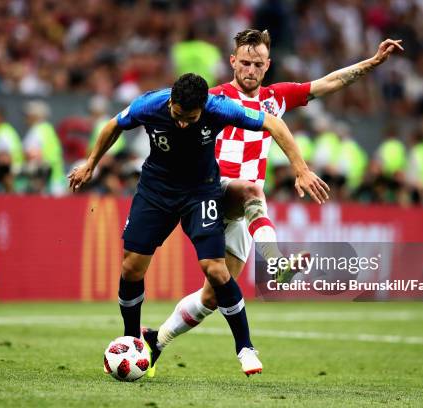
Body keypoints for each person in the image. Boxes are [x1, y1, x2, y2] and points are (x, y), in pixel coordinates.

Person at [150, 29, 403, 376]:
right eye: (244, 63)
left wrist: (373, 62)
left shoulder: (275, 99)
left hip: (238, 212)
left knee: (213, 296)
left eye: (257, 64)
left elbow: (328, 83)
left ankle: (156, 340)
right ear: (232, 62)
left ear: (267, 65)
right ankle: (276, 265)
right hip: (210, 192)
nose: (250, 69)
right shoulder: (212, 98)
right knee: (255, 192)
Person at [68, 73, 327, 376]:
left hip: (200, 192)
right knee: (131, 267)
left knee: (216, 270)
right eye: (177, 115)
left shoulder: (219, 108)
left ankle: (244, 346)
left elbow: (273, 123)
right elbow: (113, 125)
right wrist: (91, 164)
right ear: (170, 102)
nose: (182, 123)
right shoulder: (150, 104)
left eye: (190, 118)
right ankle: (133, 339)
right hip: (156, 191)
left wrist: (301, 169)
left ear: (203, 107)